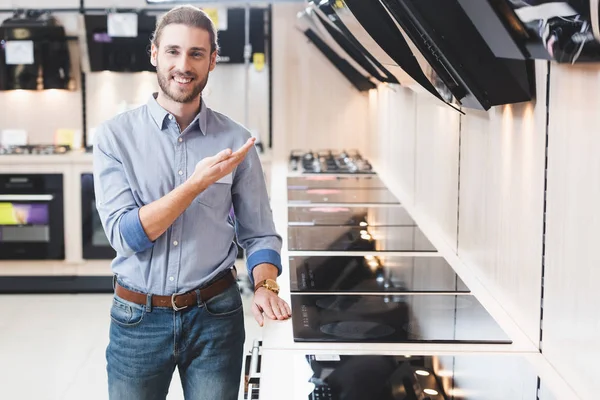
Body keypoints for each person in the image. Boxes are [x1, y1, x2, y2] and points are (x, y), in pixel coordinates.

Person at [93, 5, 290, 399]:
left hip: (216, 316)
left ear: (212, 60)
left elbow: (260, 233)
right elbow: (125, 235)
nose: (183, 65)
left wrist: (265, 284)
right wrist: (196, 184)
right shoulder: (114, 137)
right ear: (154, 54)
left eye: (196, 54)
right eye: (173, 51)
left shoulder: (237, 140)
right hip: (137, 320)